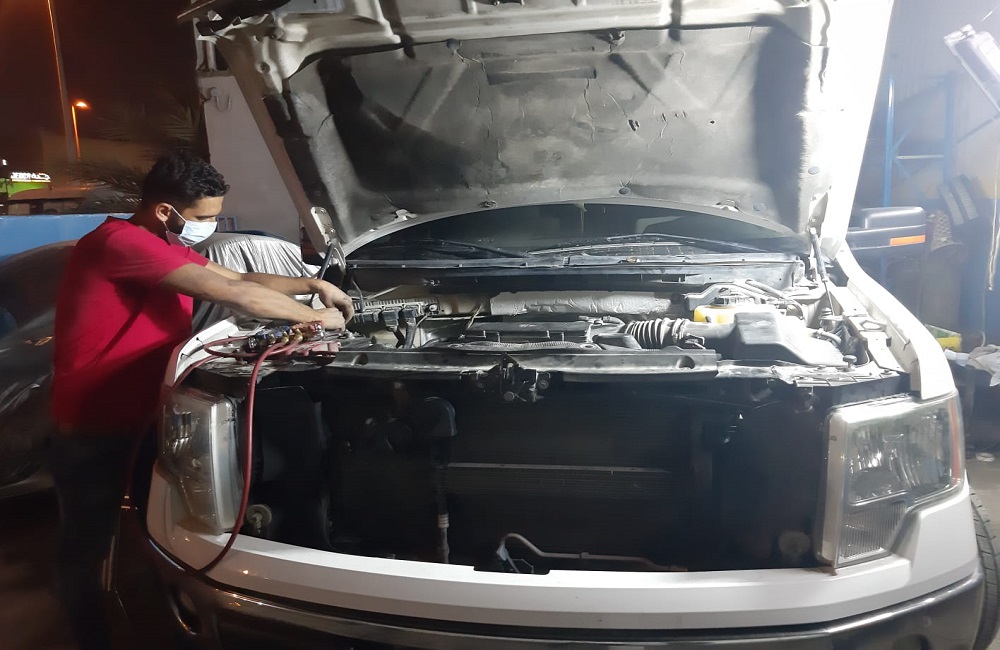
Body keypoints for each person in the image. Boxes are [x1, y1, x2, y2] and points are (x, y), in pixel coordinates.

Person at [49, 150, 353, 649]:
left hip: (142, 416)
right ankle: (88, 637)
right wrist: (318, 317)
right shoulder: (118, 243)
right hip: (92, 426)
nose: (209, 226)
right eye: (204, 217)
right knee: (85, 544)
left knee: (155, 528)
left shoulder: (156, 243)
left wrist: (313, 283)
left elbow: (239, 277)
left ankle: (153, 616)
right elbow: (235, 296)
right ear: (165, 211)